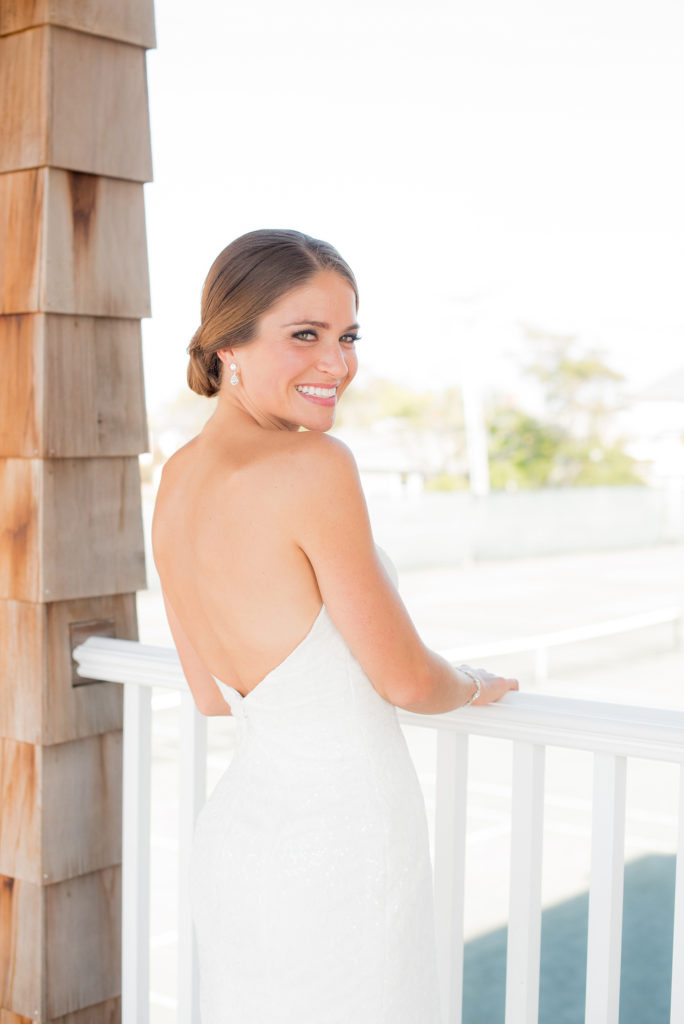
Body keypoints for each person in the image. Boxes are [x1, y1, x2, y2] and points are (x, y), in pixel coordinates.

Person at [152, 228, 518, 1023]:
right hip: (344, 854)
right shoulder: (313, 466)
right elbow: (411, 682)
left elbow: (214, 697)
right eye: (305, 335)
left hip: (242, 844)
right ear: (229, 346)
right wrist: (476, 682)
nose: (337, 363)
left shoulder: (176, 479)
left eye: (347, 336)